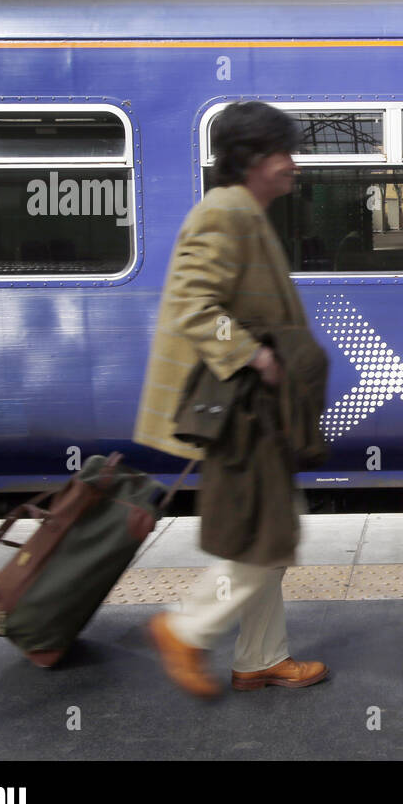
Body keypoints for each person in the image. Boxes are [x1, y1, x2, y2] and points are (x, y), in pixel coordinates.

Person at [133, 101, 329, 696]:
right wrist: (253, 354)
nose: (292, 164)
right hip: (242, 411)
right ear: (252, 159)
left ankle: (260, 657)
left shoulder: (247, 211)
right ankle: (187, 630)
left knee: (265, 533)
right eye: (281, 152)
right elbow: (193, 303)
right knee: (267, 536)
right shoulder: (224, 212)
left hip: (259, 410)